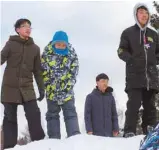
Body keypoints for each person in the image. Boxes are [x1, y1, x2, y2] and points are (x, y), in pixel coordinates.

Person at [1, 18, 45, 149]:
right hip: (10, 88)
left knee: (34, 114)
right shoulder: (10, 44)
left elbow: (37, 71)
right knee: (10, 118)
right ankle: (9, 147)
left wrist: (41, 89)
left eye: (29, 26)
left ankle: (40, 144)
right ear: (18, 30)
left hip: (27, 87)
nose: (28, 28)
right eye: (24, 26)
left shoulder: (35, 49)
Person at [117, 3, 159, 137]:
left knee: (151, 108)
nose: (144, 15)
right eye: (141, 12)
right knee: (133, 106)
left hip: (151, 77)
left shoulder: (154, 34)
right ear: (136, 15)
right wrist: (131, 60)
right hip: (134, 76)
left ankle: (150, 133)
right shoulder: (128, 32)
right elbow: (121, 50)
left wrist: (154, 61)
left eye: (146, 13)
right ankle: (129, 132)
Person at [41, 30, 80, 139]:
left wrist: (68, 85)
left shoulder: (71, 54)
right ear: (54, 44)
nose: (61, 47)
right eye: (58, 44)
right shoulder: (46, 54)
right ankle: (54, 139)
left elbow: (74, 71)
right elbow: (43, 72)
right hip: (52, 91)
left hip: (67, 91)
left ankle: (74, 137)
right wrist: (49, 85)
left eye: (63, 45)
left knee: (70, 113)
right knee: (52, 114)